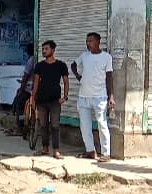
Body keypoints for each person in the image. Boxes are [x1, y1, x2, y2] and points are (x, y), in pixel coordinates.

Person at [71, 32, 115, 162]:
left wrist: (111, 96)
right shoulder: (84, 56)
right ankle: (90, 151)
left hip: (100, 97)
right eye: (87, 41)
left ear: (98, 42)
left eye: (91, 41)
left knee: (102, 124)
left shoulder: (106, 57)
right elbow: (73, 65)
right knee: (85, 126)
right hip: (83, 96)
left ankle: (106, 153)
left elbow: (109, 77)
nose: (88, 43)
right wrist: (79, 77)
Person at [31, 40, 69, 159]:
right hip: (41, 100)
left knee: (55, 126)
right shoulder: (40, 66)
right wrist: (33, 98)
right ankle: (45, 148)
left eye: (46, 49)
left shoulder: (61, 65)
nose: (44, 51)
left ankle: (56, 150)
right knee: (43, 125)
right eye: (43, 49)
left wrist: (65, 96)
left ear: (52, 50)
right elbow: (36, 83)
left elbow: (66, 81)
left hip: (55, 101)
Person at [14, 44, 35, 134]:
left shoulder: (31, 61)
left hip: (29, 89)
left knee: (19, 104)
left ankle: (19, 127)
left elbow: (25, 77)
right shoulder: (37, 59)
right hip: (35, 89)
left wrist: (21, 90)